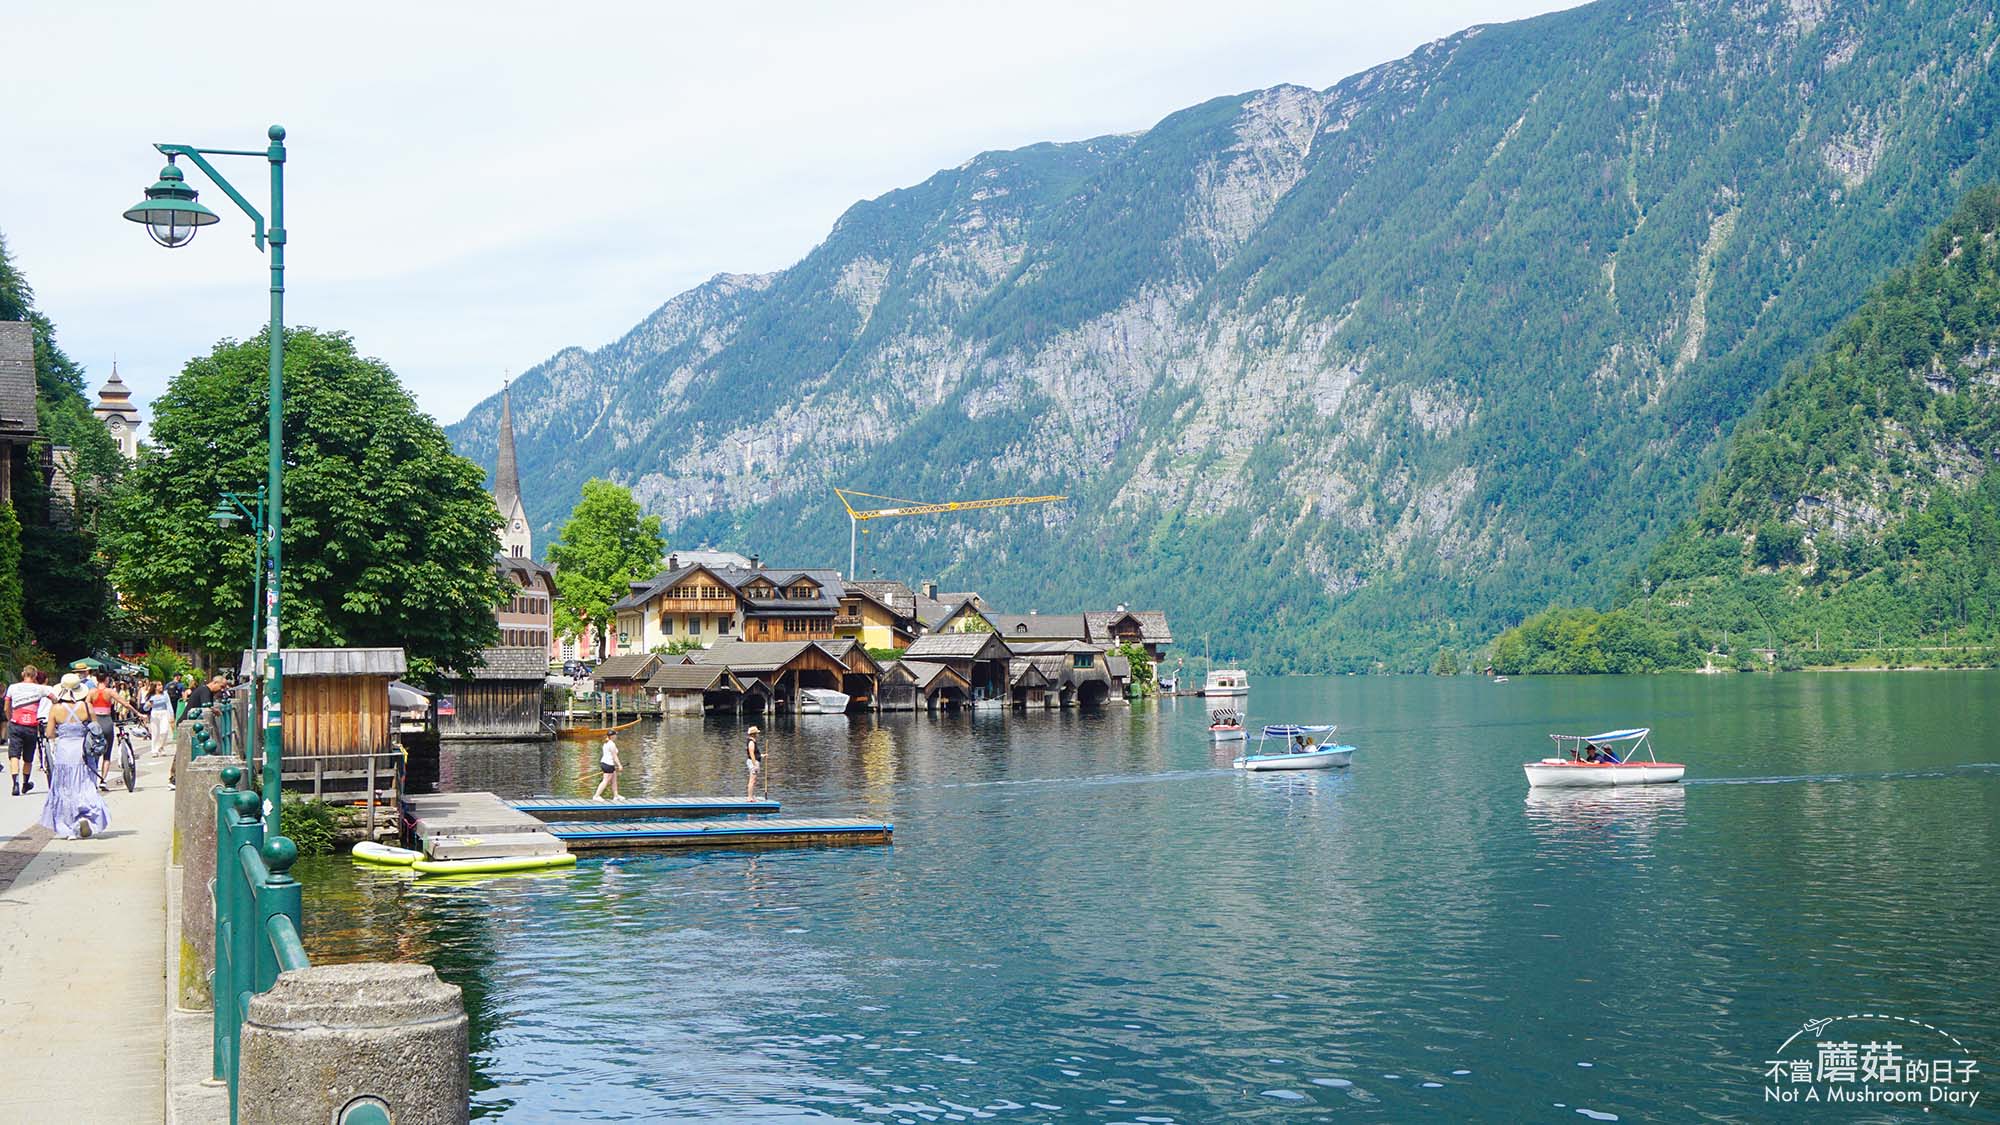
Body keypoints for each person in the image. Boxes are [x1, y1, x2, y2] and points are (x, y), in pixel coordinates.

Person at [39, 674, 108, 839]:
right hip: (83, 751)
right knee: (85, 785)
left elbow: (49, 734)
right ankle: (84, 817)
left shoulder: (55, 709)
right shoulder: (86, 706)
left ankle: (69, 827)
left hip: (64, 752)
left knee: (66, 789)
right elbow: (96, 728)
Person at [6, 666, 50, 797]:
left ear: (22, 674)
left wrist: (10, 718)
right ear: (35, 676)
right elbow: (54, 699)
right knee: (28, 757)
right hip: (31, 725)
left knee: (14, 755)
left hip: (16, 723)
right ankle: (26, 783)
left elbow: (6, 706)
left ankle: (15, 784)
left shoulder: (13, 687)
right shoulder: (41, 688)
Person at [146, 680, 176, 756]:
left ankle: (160, 746)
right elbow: (145, 708)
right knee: (155, 733)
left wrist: (171, 715)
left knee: (164, 731)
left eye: (161, 685)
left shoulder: (165, 694)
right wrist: (148, 705)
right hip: (155, 714)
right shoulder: (151, 696)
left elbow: (169, 705)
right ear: (155, 687)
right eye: (159, 685)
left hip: (164, 713)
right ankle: (154, 750)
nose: (161, 686)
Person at [593, 736, 622, 800]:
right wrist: (619, 765)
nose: (616, 736)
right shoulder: (611, 744)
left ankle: (616, 796)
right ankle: (596, 796)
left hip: (607, 763)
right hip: (608, 764)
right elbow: (615, 756)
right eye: (615, 735)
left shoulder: (606, 743)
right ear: (612, 736)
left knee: (614, 780)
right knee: (605, 781)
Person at [744, 725, 763, 799]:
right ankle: (749, 797)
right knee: (752, 780)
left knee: (754, 780)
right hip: (753, 762)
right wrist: (755, 764)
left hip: (754, 761)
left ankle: (752, 795)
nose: (758, 734)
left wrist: (761, 755)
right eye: (757, 733)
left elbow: (755, 753)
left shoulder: (753, 742)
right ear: (754, 734)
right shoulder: (751, 742)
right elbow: (751, 754)